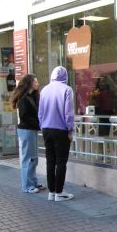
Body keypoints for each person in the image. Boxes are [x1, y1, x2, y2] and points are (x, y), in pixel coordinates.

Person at [38, 66, 75, 202]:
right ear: (65, 76)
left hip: (46, 129)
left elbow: (40, 113)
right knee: (61, 162)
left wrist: (43, 127)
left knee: (50, 160)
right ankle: (59, 192)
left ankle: (51, 191)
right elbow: (68, 113)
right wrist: (70, 129)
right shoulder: (67, 89)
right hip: (61, 131)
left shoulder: (44, 90)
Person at [10, 74, 42, 194]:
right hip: (26, 130)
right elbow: (24, 117)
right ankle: (27, 186)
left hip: (31, 129)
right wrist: (39, 124)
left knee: (33, 158)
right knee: (28, 158)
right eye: (36, 81)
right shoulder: (24, 99)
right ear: (30, 83)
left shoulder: (32, 96)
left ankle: (33, 182)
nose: (38, 83)